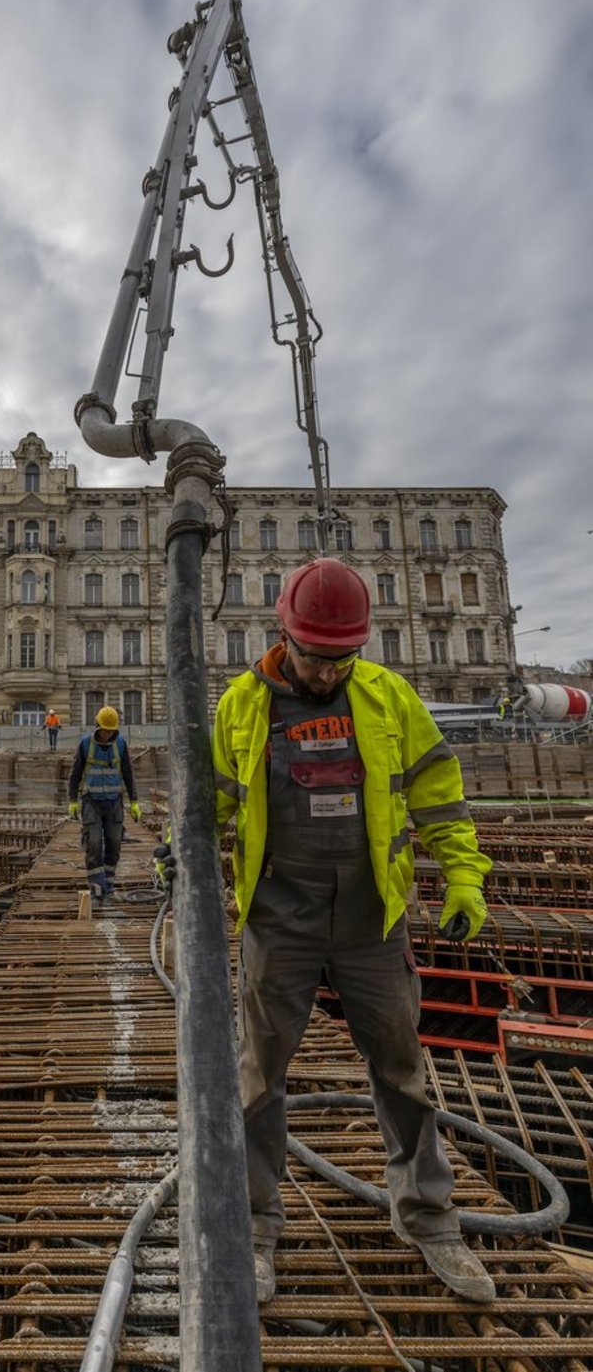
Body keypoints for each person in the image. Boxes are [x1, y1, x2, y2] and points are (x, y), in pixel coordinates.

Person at [212, 557, 495, 1307]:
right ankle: (256, 1226)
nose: (330, 672)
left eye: (344, 658)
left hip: (373, 921)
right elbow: (207, 802)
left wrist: (463, 875)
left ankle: (431, 1219)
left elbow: (438, 791)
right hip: (280, 919)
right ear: (284, 634)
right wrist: (187, 861)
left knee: (403, 1070)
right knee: (257, 1079)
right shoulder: (242, 706)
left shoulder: (388, 696)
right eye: (316, 657)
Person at [68, 706, 141, 898]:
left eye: (111, 731)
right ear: (98, 726)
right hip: (91, 801)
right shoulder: (85, 744)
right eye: (105, 730)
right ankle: (97, 887)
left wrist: (134, 801)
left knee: (114, 843)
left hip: (114, 803)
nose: (108, 734)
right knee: (93, 844)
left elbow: (128, 773)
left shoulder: (121, 745)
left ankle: (108, 884)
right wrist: (72, 800)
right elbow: (75, 774)